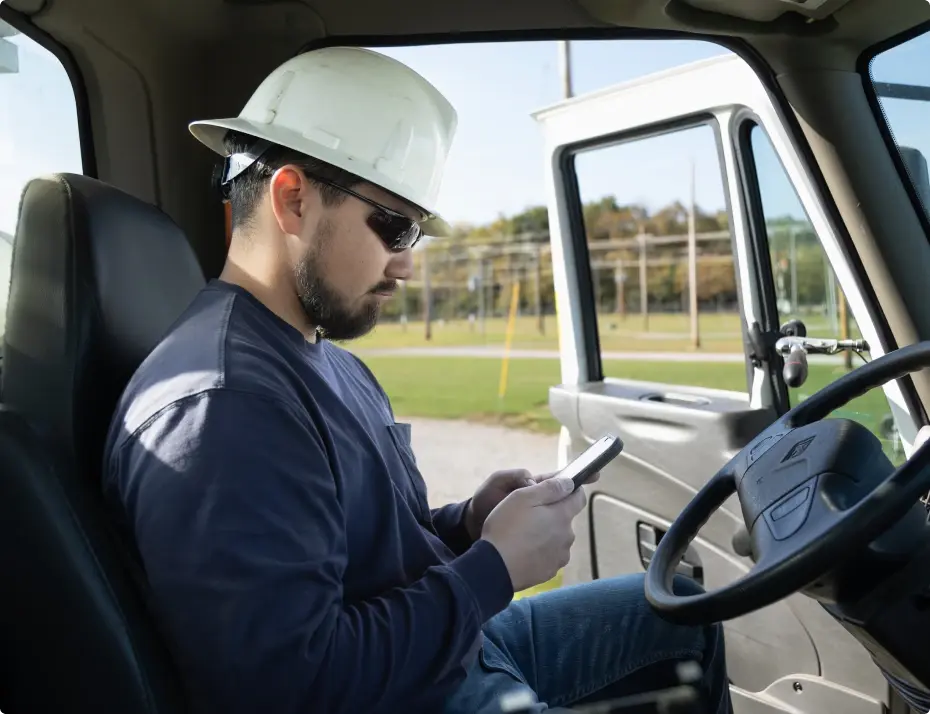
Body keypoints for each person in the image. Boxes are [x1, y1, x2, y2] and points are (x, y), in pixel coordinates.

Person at [103, 46, 732, 714]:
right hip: (417, 690)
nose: (405, 266)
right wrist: (493, 569)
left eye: (414, 236)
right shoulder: (224, 409)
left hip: (455, 651)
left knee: (680, 613)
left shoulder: (324, 358)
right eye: (394, 227)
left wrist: (466, 524)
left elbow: (354, 552)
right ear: (292, 199)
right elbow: (291, 689)